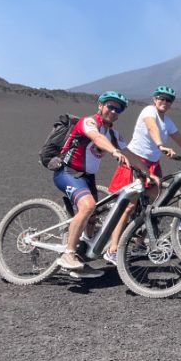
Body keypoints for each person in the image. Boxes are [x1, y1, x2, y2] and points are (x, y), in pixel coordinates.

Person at [103, 86, 181, 265]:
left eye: (168, 100)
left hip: (153, 164)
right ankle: (112, 249)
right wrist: (160, 145)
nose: (164, 102)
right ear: (154, 99)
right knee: (129, 206)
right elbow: (152, 128)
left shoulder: (167, 121)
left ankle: (138, 243)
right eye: (161, 98)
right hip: (136, 160)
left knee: (152, 204)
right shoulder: (149, 111)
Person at [52, 91, 131, 275]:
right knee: (87, 207)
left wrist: (147, 173)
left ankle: (81, 259)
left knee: (92, 219)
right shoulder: (88, 122)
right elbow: (97, 138)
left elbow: (131, 154)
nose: (113, 111)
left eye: (118, 109)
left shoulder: (114, 134)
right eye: (110, 106)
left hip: (88, 177)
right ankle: (68, 254)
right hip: (68, 172)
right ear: (100, 106)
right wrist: (114, 151)